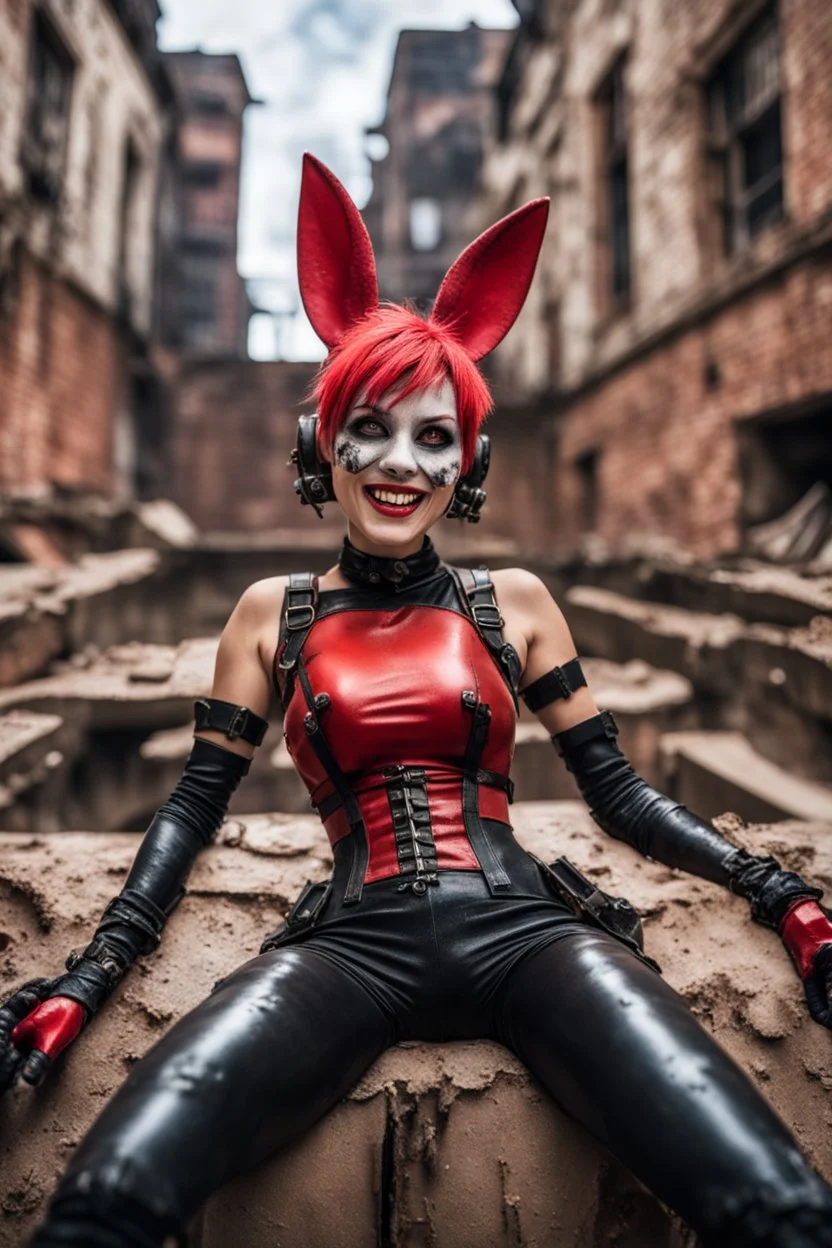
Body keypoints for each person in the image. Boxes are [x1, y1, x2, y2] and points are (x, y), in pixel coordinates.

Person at [3, 154, 832, 1248]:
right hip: (349, 951)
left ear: (467, 460)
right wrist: (91, 974)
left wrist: (787, 901)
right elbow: (190, 812)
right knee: (103, 1203)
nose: (400, 464)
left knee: (778, 1207)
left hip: (530, 936)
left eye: (433, 435)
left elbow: (619, 797)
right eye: (371, 428)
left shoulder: (515, 604)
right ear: (319, 444)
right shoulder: (271, 614)